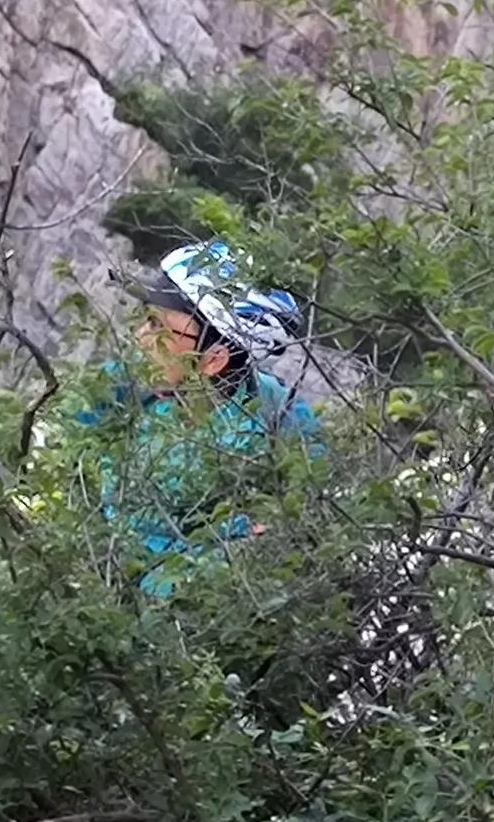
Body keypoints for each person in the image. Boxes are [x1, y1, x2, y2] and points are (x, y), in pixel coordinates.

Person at [89, 237, 328, 583]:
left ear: (214, 360)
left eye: (159, 327)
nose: (141, 336)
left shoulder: (282, 423)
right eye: (146, 319)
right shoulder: (121, 390)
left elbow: (304, 532)